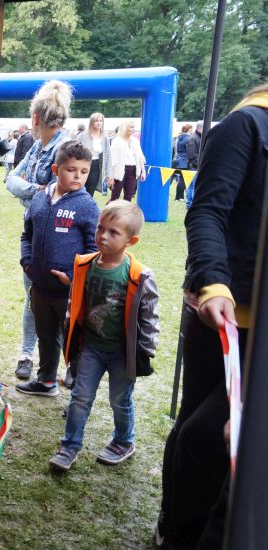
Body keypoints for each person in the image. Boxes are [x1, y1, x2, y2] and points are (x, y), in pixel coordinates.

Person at [156, 84, 268, 549]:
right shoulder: (248, 124)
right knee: (199, 432)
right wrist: (214, 284)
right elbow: (207, 212)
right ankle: (175, 531)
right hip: (223, 317)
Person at [49, 200, 160, 471]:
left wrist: (145, 348)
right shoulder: (85, 265)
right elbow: (76, 302)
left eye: (113, 232)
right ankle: (69, 445)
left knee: (119, 400)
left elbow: (149, 315)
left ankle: (123, 441)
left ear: (131, 241)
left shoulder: (139, 276)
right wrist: (72, 335)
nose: (103, 236)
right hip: (92, 348)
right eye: (100, 228)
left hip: (122, 352)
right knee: (80, 397)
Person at [16, 141, 100, 397]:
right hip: (40, 287)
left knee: (74, 340)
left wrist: (74, 277)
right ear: (56, 169)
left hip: (69, 292)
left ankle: (79, 393)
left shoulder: (87, 205)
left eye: (84, 171)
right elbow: (26, 235)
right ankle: (46, 381)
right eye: (71, 170)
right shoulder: (39, 199)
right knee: (46, 335)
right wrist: (27, 262)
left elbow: (94, 248)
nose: (78, 176)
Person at [5, 80, 73, 382]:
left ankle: (68, 364)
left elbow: (59, 192)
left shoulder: (65, 148)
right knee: (33, 295)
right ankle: (27, 355)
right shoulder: (38, 147)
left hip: (59, 235)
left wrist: (31, 190)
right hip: (33, 231)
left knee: (58, 302)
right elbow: (10, 180)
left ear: (35, 118)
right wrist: (37, 189)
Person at [107, 120, 146, 203]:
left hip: (132, 171)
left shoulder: (135, 141)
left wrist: (143, 171)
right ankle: (108, 211)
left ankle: (125, 212)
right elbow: (112, 159)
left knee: (129, 197)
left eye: (134, 127)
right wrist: (111, 176)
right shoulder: (117, 141)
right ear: (125, 128)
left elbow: (140, 156)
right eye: (131, 127)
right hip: (119, 170)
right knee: (115, 197)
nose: (133, 129)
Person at [77, 113, 112, 198]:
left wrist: (109, 174)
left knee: (90, 191)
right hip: (82, 165)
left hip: (96, 166)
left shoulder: (105, 137)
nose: (99, 123)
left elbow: (108, 156)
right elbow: (74, 150)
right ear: (91, 122)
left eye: (101, 121)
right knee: (79, 189)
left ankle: (87, 206)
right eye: (96, 121)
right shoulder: (82, 135)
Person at [185, 121, 203, 209]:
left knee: (192, 186)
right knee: (193, 186)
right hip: (194, 167)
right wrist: (199, 164)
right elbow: (191, 155)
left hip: (195, 166)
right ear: (200, 128)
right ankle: (190, 204)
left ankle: (190, 203)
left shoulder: (198, 137)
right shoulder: (193, 138)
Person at [171, 124, 192, 202]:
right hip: (184, 161)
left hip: (176, 159)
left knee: (175, 179)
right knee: (183, 180)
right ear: (189, 129)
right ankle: (179, 197)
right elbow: (190, 151)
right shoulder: (189, 138)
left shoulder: (177, 138)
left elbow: (174, 149)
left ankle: (179, 197)